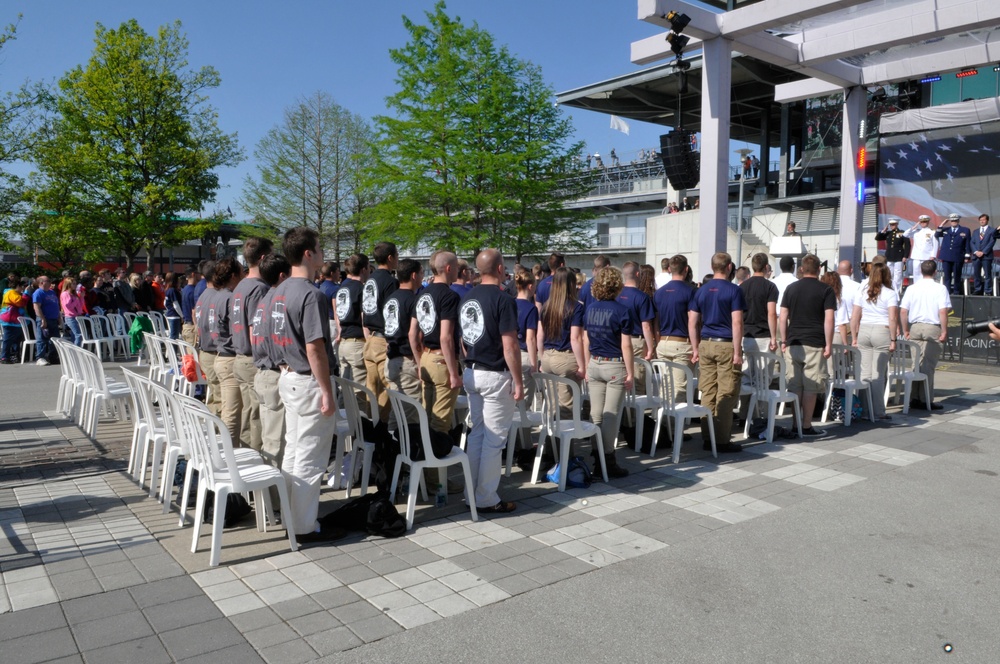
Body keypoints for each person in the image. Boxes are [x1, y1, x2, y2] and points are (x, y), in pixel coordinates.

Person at [273, 227, 344, 544]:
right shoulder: (310, 294)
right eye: (319, 247)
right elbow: (315, 348)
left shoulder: (279, 291)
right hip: (306, 379)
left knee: (293, 451)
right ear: (308, 253)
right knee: (310, 457)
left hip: (288, 376)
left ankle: (292, 518)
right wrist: (326, 391)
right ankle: (303, 526)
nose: (323, 253)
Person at [459, 248, 524, 513]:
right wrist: (518, 380)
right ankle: (485, 497)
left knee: (477, 434)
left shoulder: (467, 296)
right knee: (494, 439)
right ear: (499, 269)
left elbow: (463, 340)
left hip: (472, 371)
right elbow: (510, 345)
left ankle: (471, 493)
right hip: (495, 373)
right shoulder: (503, 299)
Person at [689, 252, 745, 453]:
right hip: (726, 344)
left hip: (706, 342)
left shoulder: (701, 290)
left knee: (708, 390)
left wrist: (695, 348)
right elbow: (737, 322)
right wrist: (737, 351)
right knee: (726, 392)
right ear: (729, 267)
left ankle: (708, 437)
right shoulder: (734, 290)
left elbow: (692, 322)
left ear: (713, 267)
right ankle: (721, 440)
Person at [582, 266, 632, 478]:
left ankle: (597, 457)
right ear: (617, 286)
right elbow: (626, 345)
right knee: (611, 415)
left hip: (595, 362)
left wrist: (586, 365)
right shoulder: (622, 310)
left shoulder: (590, 309)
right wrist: (630, 372)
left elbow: (585, 340)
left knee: (596, 413)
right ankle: (608, 460)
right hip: (614, 364)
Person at [779, 254, 836, 436]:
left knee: (795, 386)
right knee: (812, 386)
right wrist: (829, 344)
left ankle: (796, 424)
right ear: (819, 269)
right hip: (815, 342)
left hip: (793, 341)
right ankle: (806, 425)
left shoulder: (791, 288)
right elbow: (829, 319)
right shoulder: (826, 290)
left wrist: (784, 340)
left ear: (802, 269)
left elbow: (783, 317)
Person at [251, 253, 292, 480]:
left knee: (270, 437)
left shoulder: (265, 299)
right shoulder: (276, 301)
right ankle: (275, 496)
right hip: (273, 372)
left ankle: (271, 493)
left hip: (263, 372)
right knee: (276, 441)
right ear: (283, 275)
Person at [231, 237, 274, 451]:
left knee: (248, 415)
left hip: (240, 357)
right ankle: (256, 461)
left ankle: (247, 459)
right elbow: (255, 329)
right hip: (252, 359)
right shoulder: (259, 289)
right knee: (257, 418)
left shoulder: (241, 286)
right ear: (264, 258)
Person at [415, 250, 463, 435]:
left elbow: (414, 333)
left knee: (427, 416)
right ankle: (435, 454)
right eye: (456, 266)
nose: (458, 270)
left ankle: (424, 451)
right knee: (440, 421)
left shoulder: (423, 293)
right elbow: (446, 337)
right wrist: (453, 372)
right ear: (448, 268)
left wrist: (420, 360)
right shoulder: (450, 296)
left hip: (426, 356)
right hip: (442, 359)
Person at [200, 257, 244, 440]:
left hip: (218, 353)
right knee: (230, 412)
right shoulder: (228, 297)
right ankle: (228, 451)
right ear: (233, 276)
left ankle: (222, 445)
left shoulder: (215, 295)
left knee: (223, 406)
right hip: (227, 355)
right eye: (242, 272)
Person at [850, 262, 899, 421]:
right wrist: (893, 339)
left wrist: (855, 337)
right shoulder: (890, 293)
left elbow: (854, 316)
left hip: (864, 330)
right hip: (881, 330)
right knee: (878, 375)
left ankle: (864, 410)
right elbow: (892, 318)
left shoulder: (862, 291)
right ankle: (878, 411)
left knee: (865, 373)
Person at [900, 260, 950, 411]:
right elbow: (943, 311)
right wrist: (944, 330)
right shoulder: (940, 288)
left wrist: (905, 329)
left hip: (915, 326)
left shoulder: (912, 288)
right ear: (935, 272)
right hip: (932, 327)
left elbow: (903, 311)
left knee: (916, 364)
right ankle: (925, 399)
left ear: (921, 272)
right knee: (928, 365)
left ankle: (914, 397)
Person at [538, 267, 585, 417]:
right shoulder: (576, 307)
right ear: (571, 284)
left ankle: (551, 431)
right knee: (566, 408)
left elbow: (540, 335)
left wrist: (541, 358)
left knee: (552, 405)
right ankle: (565, 433)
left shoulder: (546, 306)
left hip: (548, 357)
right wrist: (582, 366)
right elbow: (575, 338)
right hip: (565, 358)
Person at [362, 242, 399, 423]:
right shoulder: (390, 282)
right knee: (385, 388)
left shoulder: (370, 280)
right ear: (390, 258)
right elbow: (392, 313)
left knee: (371, 387)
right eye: (397, 255)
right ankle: (381, 430)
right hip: (383, 339)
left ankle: (371, 427)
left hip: (370, 339)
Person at [384, 258, 424, 425]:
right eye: (421, 273)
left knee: (398, 413)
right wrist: (419, 363)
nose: (422, 277)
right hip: (406, 360)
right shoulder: (414, 300)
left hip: (392, 359)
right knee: (410, 416)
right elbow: (413, 335)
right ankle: (401, 442)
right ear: (414, 275)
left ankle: (393, 440)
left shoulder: (390, 298)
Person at [654, 254, 696, 401]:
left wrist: (657, 342)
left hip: (663, 342)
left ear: (670, 269)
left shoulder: (659, 293)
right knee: (680, 387)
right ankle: (674, 415)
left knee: (665, 386)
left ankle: (663, 413)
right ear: (686, 269)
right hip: (682, 342)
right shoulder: (691, 291)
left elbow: (655, 322)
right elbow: (692, 322)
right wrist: (695, 347)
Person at [618, 262, 656, 394]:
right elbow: (646, 326)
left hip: (618, 340)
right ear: (638, 274)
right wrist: (650, 348)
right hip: (636, 341)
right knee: (638, 381)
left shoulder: (615, 295)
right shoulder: (642, 297)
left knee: (622, 379)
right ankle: (637, 408)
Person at [334, 253, 369, 395]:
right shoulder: (361, 289)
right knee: (359, 391)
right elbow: (364, 318)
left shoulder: (342, 288)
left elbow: (337, 314)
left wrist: (339, 332)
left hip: (343, 342)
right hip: (356, 342)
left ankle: (343, 410)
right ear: (363, 269)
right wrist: (369, 341)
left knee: (345, 390)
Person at [514, 267, 539, 412]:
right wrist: (534, 364)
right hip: (524, 354)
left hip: (509, 353)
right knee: (524, 403)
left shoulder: (509, 303)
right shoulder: (531, 308)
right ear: (530, 286)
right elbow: (530, 338)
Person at [935, 213, 971, 294]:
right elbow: (937, 234)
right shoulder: (946, 230)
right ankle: (947, 291)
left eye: (955, 220)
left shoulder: (965, 230)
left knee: (957, 275)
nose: (954, 222)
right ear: (950, 221)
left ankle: (956, 292)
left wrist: (967, 256)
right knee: (947, 276)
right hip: (946, 256)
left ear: (958, 221)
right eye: (952, 220)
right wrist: (941, 225)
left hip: (958, 256)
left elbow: (967, 243)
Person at [874, 218, 910, 292]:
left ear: (897, 224)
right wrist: (883, 231)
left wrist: (905, 256)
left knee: (898, 274)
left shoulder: (901, 232)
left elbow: (907, 245)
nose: (892, 226)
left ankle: (896, 290)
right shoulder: (888, 233)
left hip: (899, 256)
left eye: (893, 224)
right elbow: (877, 238)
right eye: (891, 225)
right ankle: (889, 288)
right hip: (889, 256)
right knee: (889, 273)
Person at [32, 276, 61, 365]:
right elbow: (37, 307)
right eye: (48, 281)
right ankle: (40, 357)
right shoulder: (38, 292)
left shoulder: (52, 292)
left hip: (53, 319)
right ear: (41, 282)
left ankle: (53, 357)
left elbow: (56, 305)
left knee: (54, 339)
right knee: (42, 338)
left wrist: (59, 317)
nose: (50, 282)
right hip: (44, 318)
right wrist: (42, 319)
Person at [903, 215, 939, 285]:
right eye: (921, 222)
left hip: (927, 257)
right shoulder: (916, 232)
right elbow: (905, 235)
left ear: (928, 222)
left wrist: (933, 255)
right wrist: (913, 228)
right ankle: (917, 286)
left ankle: (925, 286)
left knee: (926, 273)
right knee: (916, 273)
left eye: (924, 222)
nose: (923, 223)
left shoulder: (932, 232)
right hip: (916, 256)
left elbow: (936, 244)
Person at [1, 279, 28, 363]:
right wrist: (26, 294)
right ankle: (4, 357)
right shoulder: (11, 292)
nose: (22, 289)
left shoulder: (13, 293)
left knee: (16, 340)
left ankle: (14, 356)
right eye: (22, 287)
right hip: (10, 320)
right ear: (18, 286)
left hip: (14, 321)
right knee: (8, 339)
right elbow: (20, 302)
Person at [970, 214, 996, 296]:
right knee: (976, 274)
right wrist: (975, 251)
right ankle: (977, 289)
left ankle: (987, 291)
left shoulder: (992, 230)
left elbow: (992, 242)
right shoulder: (976, 231)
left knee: (987, 274)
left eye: (983, 220)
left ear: (987, 220)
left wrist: (983, 252)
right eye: (980, 220)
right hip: (976, 256)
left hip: (986, 256)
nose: (982, 221)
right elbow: (972, 242)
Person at [533, 251, 565, 317]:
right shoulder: (565, 283)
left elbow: (538, 308)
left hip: (544, 320)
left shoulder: (541, 284)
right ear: (562, 265)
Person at [820, 272, 847, 345]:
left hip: (820, 333)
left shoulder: (819, 298)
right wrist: (845, 343)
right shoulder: (839, 300)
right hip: (835, 334)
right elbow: (841, 324)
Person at [60, 278, 86, 347]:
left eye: (75, 284)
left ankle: (74, 348)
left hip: (77, 316)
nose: (75, 285)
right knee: (78, 335)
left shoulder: (73, 294)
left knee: (74, 335)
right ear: (68, 284)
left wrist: (82, 297)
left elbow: (80, 306)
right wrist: (76, 300)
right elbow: (68, 306)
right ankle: (76, 350)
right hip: (70, 317)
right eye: (73, 284)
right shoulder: (65, 294)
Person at [180, 268, 199, 346]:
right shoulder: (193, 291)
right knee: (192, 351)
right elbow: (193, 311)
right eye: (198, 273)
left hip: (186, 325)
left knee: (188, 351)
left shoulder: (185, 289)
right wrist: (196, 327)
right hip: (191, 326)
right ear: (193, 274)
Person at [162, 272, 183, 340]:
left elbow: (165, 303)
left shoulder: (167, 290)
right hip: (175, 316)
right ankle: (172, 347)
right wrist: (182, 316)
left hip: (170, 314)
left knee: (172, 335)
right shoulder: (173, 290)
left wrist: (169, 309)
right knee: (174, 337)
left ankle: (170, 347)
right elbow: (176, 305)